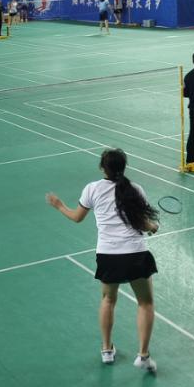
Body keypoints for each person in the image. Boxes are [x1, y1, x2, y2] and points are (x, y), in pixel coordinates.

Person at [45, 149, 159, 373]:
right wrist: (153, 227)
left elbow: (77, 217)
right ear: (124, 167)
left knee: (108, 300)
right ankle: (143, 356)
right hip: (135, 253)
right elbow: (143, 223)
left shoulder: (92, 189)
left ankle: (107, 350)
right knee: (145, 303)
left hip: (108, 255)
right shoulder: (135, 189)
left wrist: (59, 205)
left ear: (102, 168)